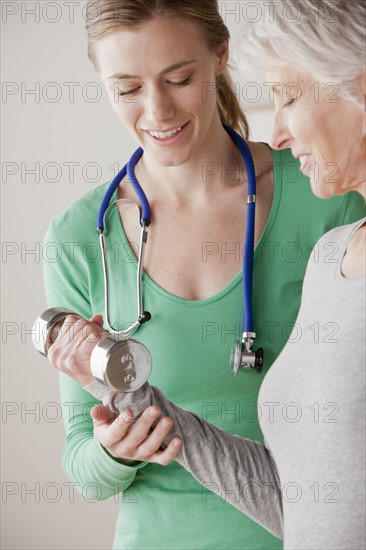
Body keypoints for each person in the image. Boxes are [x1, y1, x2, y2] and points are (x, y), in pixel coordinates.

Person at [43, 1, 365, 549]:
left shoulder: (326, 192)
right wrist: (115, 445)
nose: (158, 109)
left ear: (220, 57)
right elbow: (85, 466)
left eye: (179, 78)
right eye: (127, 89)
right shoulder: (80, 239)